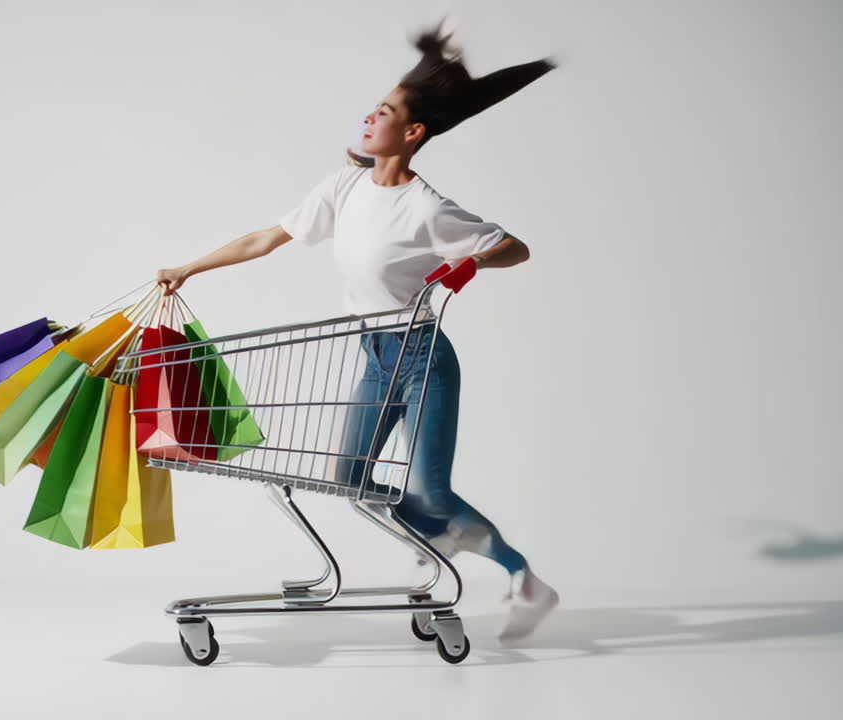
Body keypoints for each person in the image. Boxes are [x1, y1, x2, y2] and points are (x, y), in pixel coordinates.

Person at [156, 19, 559, 641]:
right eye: (372, 109)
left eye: (383, 112)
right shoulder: (344, 185)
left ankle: (522, 578)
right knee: (349, 478)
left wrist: (467, 261)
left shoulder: (426, 207)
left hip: (422, 358)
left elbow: (516, 248)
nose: (368, 119)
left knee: (432, 490)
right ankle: (434, 536)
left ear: (413, 132)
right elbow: (267, 237)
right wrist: (190, 267)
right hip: (376, 355)